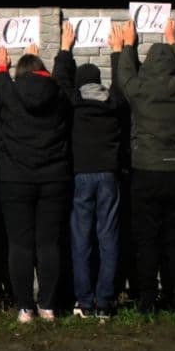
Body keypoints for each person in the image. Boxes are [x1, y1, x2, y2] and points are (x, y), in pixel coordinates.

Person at [0, 38, 73, 322]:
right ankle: (47, 305)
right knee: (49, 243)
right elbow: (61, 77)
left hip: (15, 179)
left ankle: (24, 307)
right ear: (43, 71)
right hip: (54, 178)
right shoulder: (58, 92)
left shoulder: (9, 91)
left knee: (19, 244)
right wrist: (63, 51)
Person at [117, 18, 175, 314]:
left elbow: (124, 76)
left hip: (146, 171)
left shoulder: (140, 89)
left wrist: (129, 45)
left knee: (147, 240)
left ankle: (148, 299)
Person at [54, 21, 126, 320]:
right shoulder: (114, 102)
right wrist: (118, 51)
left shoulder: (73, 102)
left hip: (81, 175)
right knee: (108, 237)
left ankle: (84, 302)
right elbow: (122, 83)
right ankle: (105, 302)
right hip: (109, 174)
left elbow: (60, 83)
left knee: (81, 238)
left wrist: (64, 49)